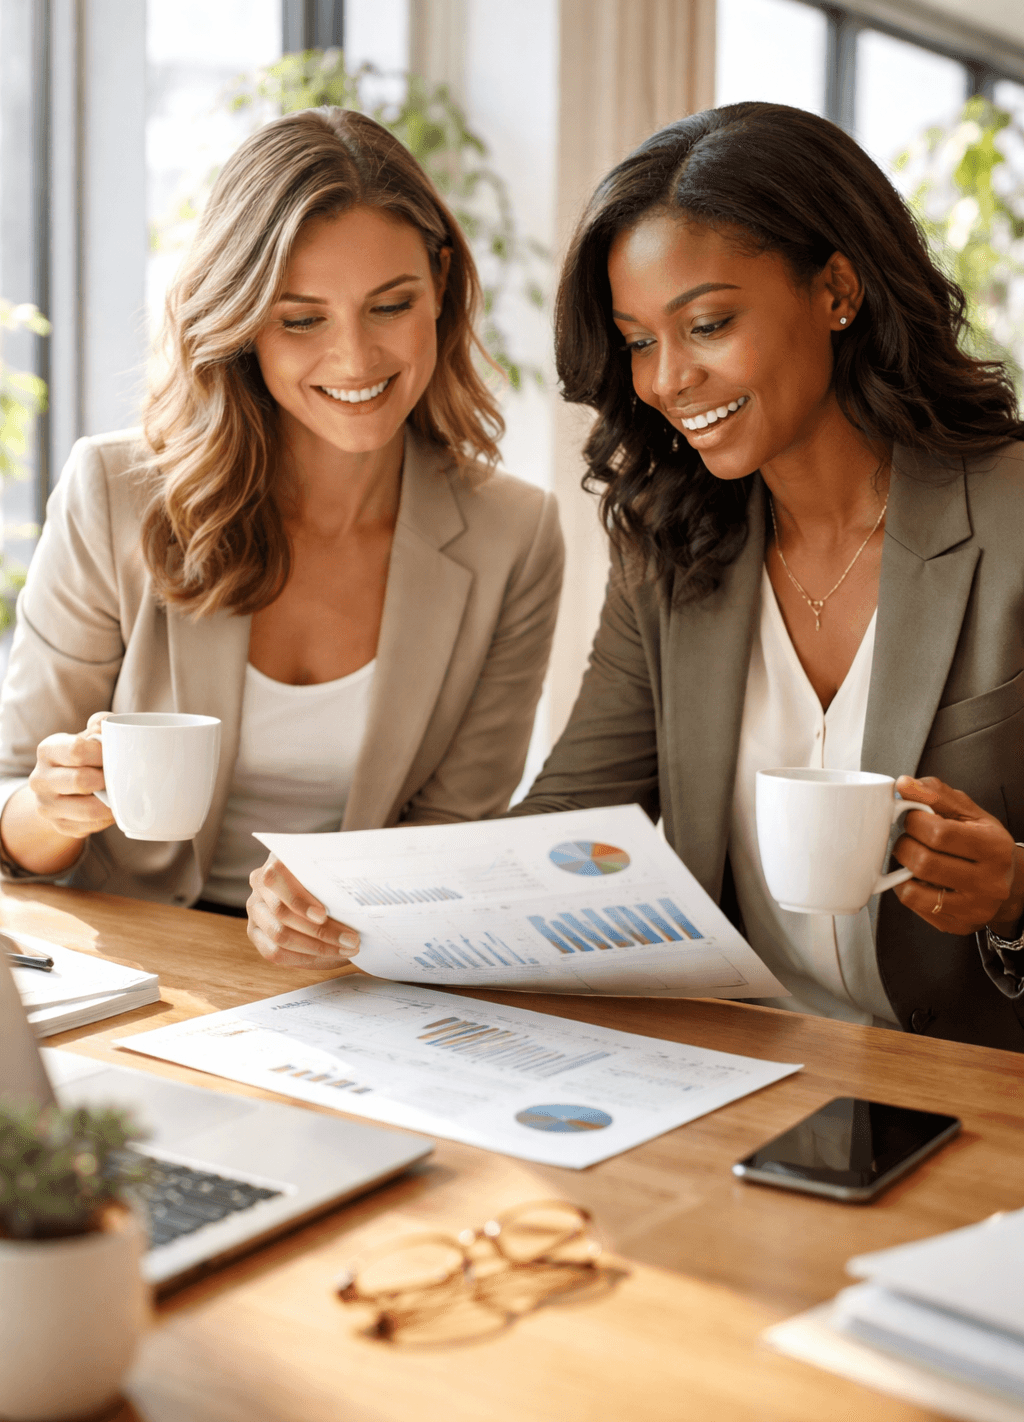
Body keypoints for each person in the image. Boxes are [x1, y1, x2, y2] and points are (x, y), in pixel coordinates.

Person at [509, 102, 1023, 1051]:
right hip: (742, 1075)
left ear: (836, 290)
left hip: (976, 1090)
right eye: (637, 341)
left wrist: (1018, 892)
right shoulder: (670, 544)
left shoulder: (1012, 516)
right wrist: (356, 900)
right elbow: (562, 828)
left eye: (707, 324)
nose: (666, 381)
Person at [0, 108, 563, 969]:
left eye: (391, 305)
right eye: (302, 320)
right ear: (241, 322)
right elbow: (12, 810)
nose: (356, 358)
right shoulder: (114, 494)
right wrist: (52, 807)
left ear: (440, 287)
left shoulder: (513, 537)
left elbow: (456, 838)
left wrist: (335, 910)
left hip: (352, 982)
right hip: (125, 966)